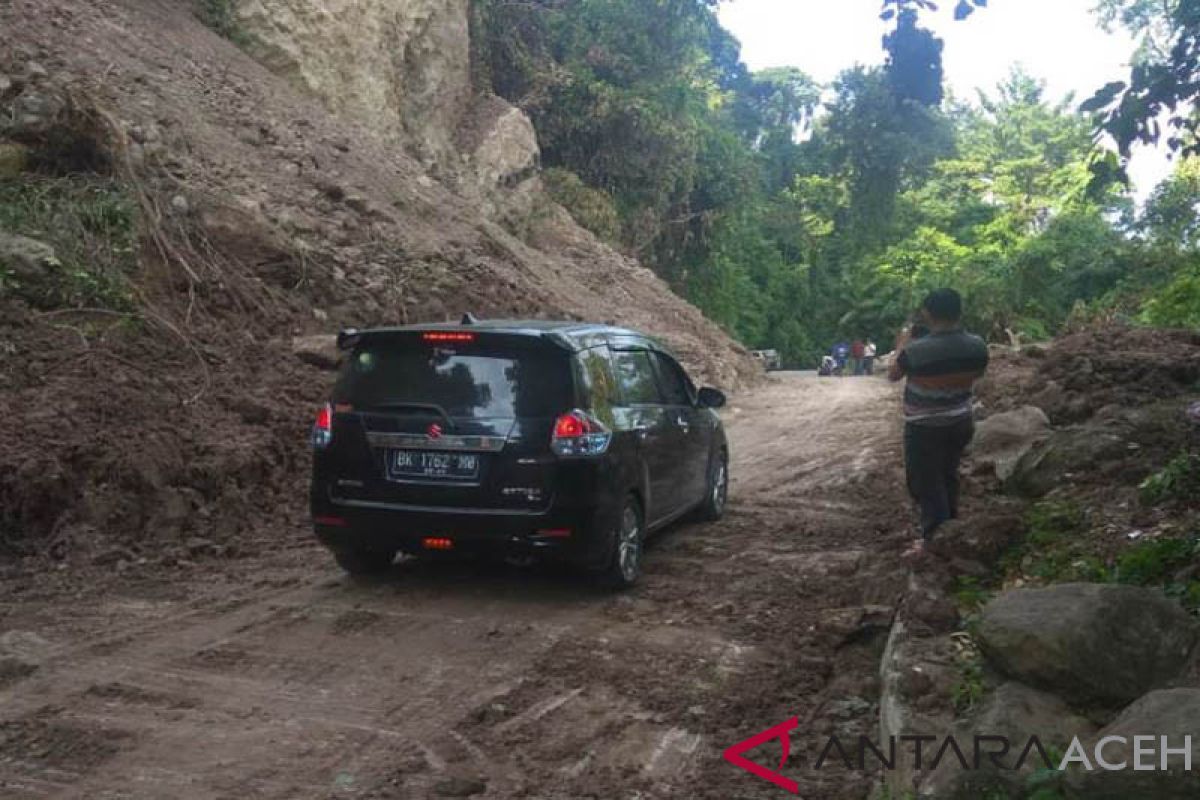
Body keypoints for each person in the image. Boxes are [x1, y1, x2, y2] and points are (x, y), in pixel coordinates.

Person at [888, 289, 989, 555]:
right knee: (948, 475)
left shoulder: (916, 350)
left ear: (928, 313)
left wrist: (902, 343)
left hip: (924, 426)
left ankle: (935, 541)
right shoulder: (978, 346)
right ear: (959, 312)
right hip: (960, 420)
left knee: (925, 482)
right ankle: (950, 529)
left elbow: (893, 375)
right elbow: (978, 372)